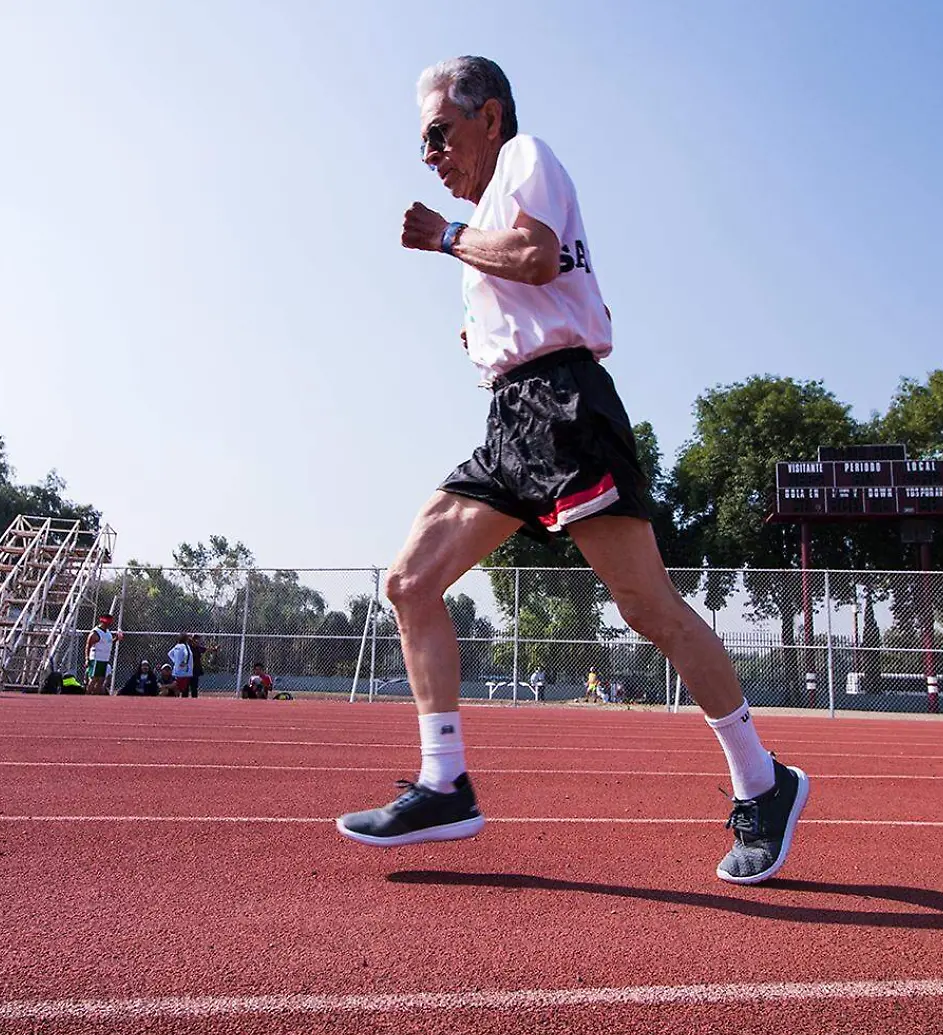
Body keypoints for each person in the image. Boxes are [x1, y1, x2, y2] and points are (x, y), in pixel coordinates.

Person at [335, 57, 809, 886]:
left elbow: (538, 256)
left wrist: (447, 240)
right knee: (410, 583)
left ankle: (763, 782)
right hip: (515, 417)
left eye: (437, 133)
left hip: (564, 410)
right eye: (422, 141)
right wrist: (491, 334)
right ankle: (445, 784)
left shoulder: (525, 159)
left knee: (649, 608)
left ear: (490, 118)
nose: (428, 154)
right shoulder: (495, 205)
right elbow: (567, 286)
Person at [83, 614, 120, 695]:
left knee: (101, 680)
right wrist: (87, 659)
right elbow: (87, 646)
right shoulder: (95, 632)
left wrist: (116, 639)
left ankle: (95, 697)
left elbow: (108, 643)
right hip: (96, 658)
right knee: (94, 679)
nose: (109, 625)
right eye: (107, 623)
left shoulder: (108, 632)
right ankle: (87, 696)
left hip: (104, 659)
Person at [167, 634, 196, 698]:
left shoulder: (176, 646)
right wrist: (184, 662)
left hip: (176, 671)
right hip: (185, 672)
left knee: (177, 688)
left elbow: (169, 653)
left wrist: (175, 661)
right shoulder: (185, 646)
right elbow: (187, 654)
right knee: (184, 690)